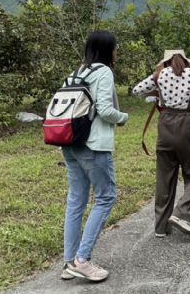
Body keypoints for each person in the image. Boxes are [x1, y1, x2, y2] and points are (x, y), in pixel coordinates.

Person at [61, 31, 129, 283]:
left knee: (76, 201)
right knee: (106, 197)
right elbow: (105, 109)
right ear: (107, 50)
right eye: (115, 48)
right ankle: (82, 259)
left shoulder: (77, 72)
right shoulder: (103, 72)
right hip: (93, 145)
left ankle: (69, 262)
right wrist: (123, 118)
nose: (117, 52)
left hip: (70, 144)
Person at [131, 50, 190, 238]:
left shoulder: (159, 75)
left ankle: (160, 227)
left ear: (166, 62)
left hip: (166, 126)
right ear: (185, 61)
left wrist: (158, 91)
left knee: (165, 177)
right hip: (187, 126)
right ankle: (181, 212)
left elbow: (136, 91)